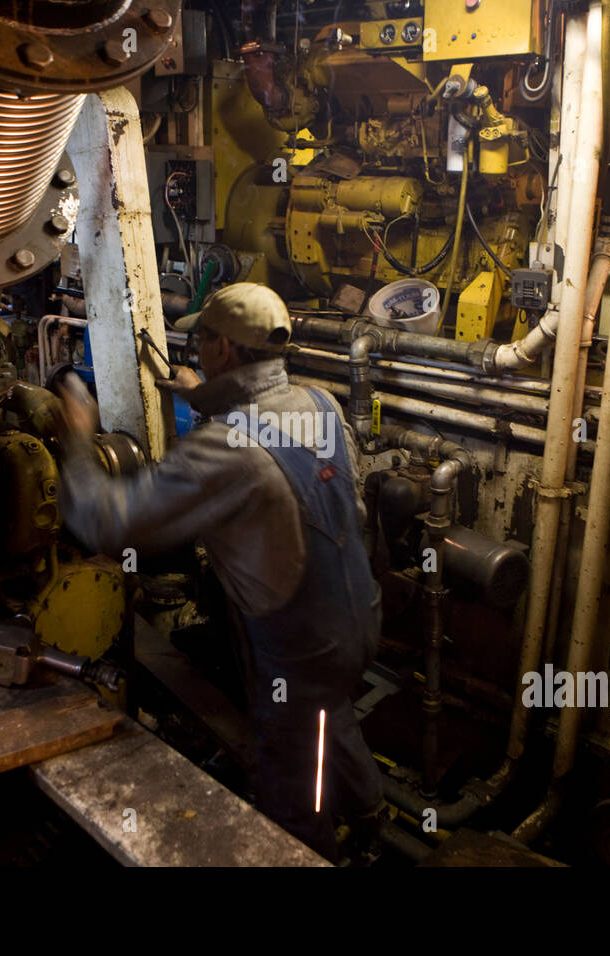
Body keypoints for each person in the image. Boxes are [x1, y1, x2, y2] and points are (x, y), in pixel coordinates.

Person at [49, 282, 384, 862]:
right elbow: (318, 484)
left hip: (295, 647)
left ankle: (310, 850)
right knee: (331, 709)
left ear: (225, 350)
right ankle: (372, 820)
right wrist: (203, 396)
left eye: (202, 337)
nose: (195, 345)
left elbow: (107, 521)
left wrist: (77, 437)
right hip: (358, 623)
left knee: (290, 779)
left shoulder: (223, 449)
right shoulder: (321, 403)